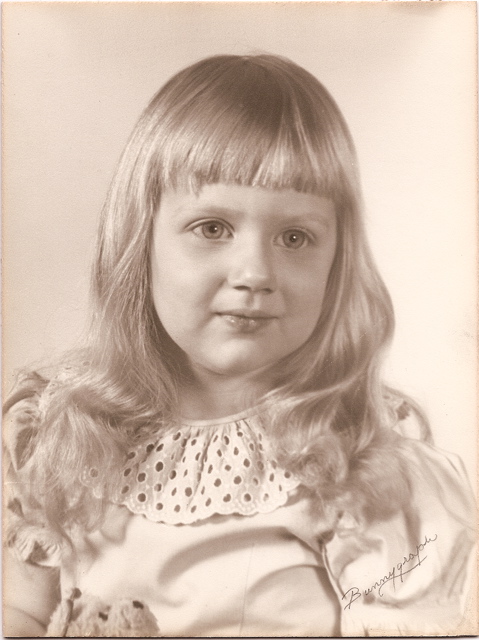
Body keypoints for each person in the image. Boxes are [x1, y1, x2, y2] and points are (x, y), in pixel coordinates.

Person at [3, 54, 475, 637]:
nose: (254, 272)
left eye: (295, 237)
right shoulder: (67, 432)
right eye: (212, 229)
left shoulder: (359, 458)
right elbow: (21, 613)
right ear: (140, 240)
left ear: (337, 262)